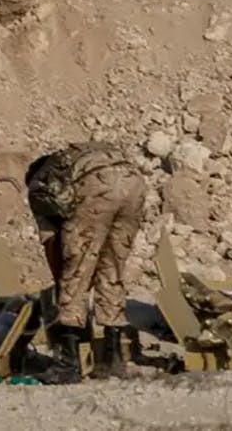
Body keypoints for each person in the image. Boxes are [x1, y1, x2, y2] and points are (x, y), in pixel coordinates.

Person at [24, 141, 147, 383]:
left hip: (96, 185)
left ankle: (68, 365)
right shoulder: (73, 157)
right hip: (134, 182)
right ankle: (113, 361)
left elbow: (51, 243)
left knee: (76, 274)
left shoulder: (39, 184)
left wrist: (63, 283)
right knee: (113, 272)